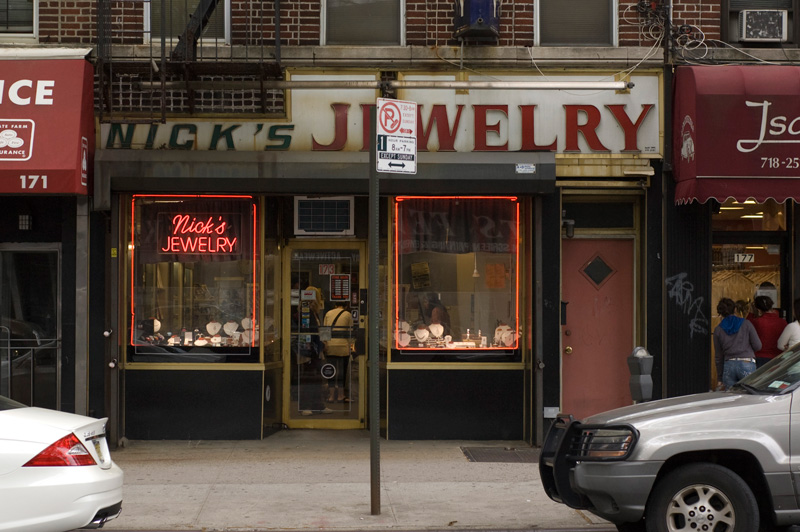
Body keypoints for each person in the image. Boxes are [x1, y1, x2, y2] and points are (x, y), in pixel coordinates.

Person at [714, 297, 761, 391]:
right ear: (735, 309)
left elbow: (718, 357)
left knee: (731, 399)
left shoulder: (718, 330)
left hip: (729, 365)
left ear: (720, 313)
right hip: (747, 363)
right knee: (749, 397)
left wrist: (719, 378)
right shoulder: (746, 324)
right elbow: (758, 346)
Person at [323, 301, 354, 403]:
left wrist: (325, 344)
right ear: (345, 306)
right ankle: (341, 395)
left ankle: (331, 396)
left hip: (331, 346)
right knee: (342, 372)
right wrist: (350, 345)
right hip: (343, 347)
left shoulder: (328, 313)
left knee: (330, 371)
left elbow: (324, 331)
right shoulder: (348, 314)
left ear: (335, 305)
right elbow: (350, 332)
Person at [747, 295, 787, 368]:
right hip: (778, 358)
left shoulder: (757, 322)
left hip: (760, 357)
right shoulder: (783, 322)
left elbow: (746, 326)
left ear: (758, 310)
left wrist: (751, 313)